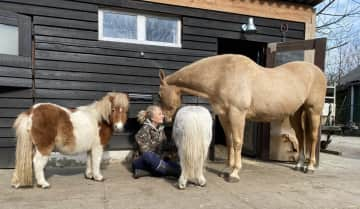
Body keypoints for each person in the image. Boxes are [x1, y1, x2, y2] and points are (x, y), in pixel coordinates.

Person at [132, 105, 181, 179]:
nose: (163, 116)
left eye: (162, 114)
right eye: (160, 114)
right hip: (142, 161)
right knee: (148, 156)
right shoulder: (143, 131)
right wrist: (162, 157)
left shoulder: (161, 130)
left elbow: (165, 146)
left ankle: (153, 171)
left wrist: (178, 145)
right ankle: (173, 172)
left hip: (158, 161)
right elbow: (145, 152)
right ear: (152, 118)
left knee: (174, 164)